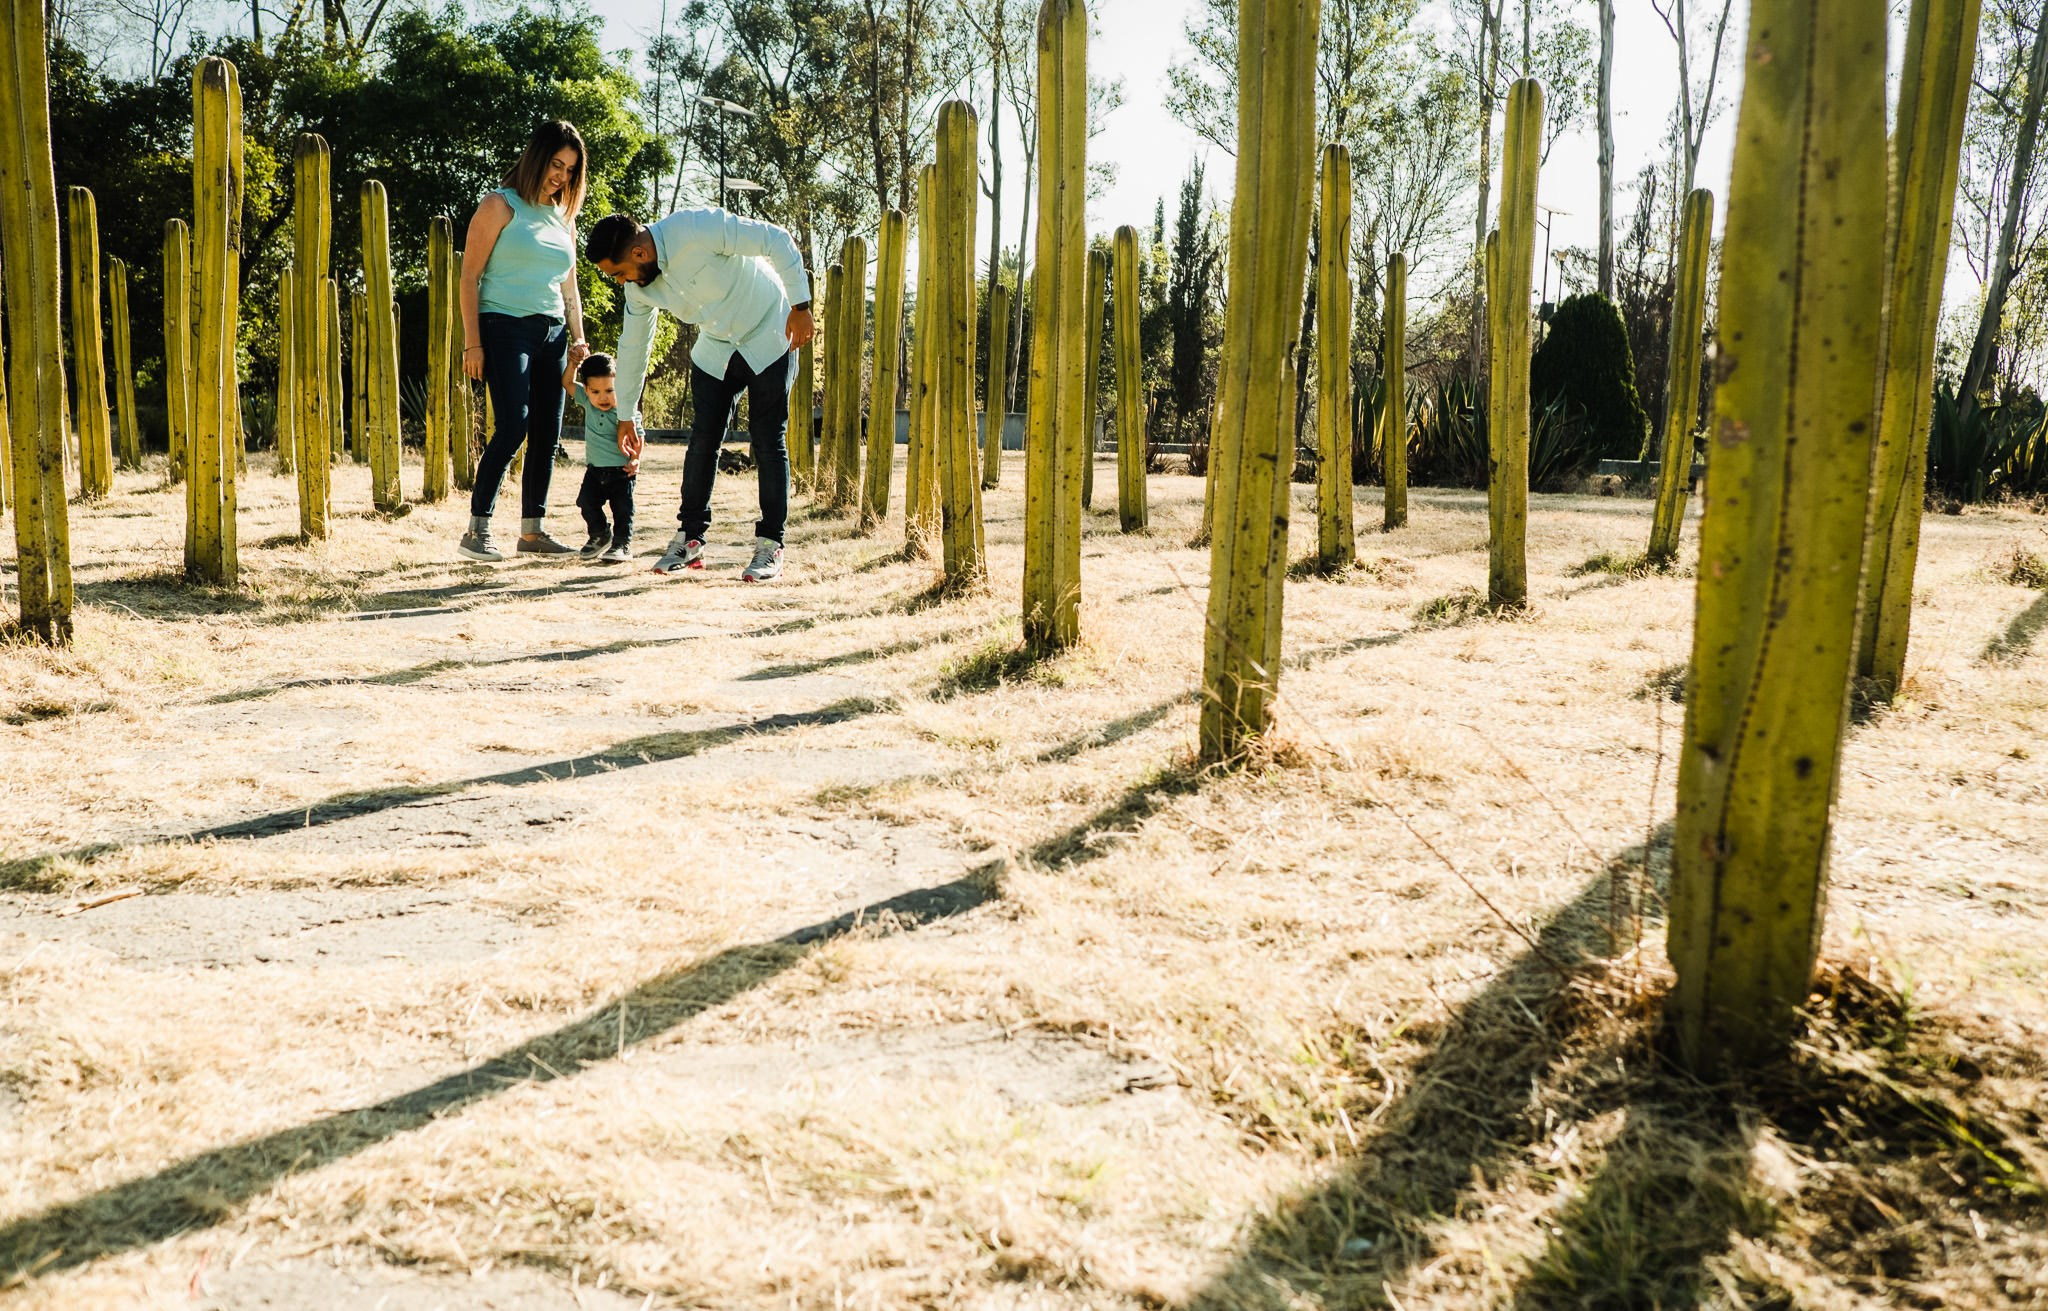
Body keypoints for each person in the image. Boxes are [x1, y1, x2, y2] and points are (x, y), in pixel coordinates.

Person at [584, 208, 816, 582]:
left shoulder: (696, 227)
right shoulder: (639, 289)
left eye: (619, 272)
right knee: (702, 441)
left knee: (768, 441)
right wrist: (625, 413)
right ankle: (690, 539)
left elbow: (776, 239)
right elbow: (633, 347)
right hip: (716, 349)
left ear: (639, 253)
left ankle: (771, 545)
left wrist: (800, 306)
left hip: (770, 332)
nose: (621, 281)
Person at [456, 120, 591, 562]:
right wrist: (472, 344)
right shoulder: (499, 205)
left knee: (547, 432)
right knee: (514, 423)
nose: (562, 176)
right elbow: (470, 277)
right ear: (536, 158)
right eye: (556, 164)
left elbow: (570, 288)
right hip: (503, 326)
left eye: (570, 170)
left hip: (552, 332)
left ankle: (533, 532)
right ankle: (478, 529)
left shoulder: (564, 218)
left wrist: (579, 338)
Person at [565, 351, 638, 563]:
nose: (602, 397)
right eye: (595, 391)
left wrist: (635, 459)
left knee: (622, 511)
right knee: (586, 502)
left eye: (609, 390)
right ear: (586, 390)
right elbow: (567, 382)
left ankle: (622, 544)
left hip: (621, 471)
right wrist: (573, 363)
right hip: (595, 470)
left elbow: (638, 437)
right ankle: (600, 534)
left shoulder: (626, 411)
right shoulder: (587, 402)